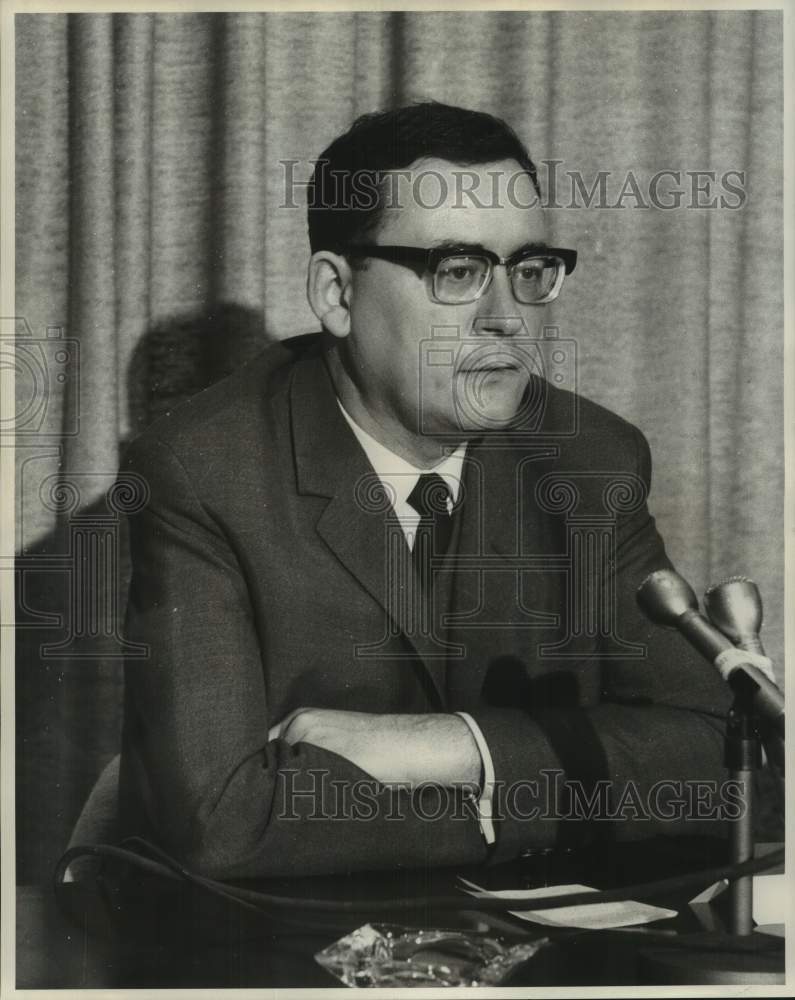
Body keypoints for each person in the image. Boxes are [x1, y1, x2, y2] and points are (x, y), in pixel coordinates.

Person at [118, 102, 732, 880]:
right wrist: (530, 792)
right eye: (457, 271)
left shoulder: (588, 461)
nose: (506, 318)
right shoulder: (201, 471)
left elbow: (730, 763)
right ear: (337, 293)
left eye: (528, 270)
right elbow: (227, 824)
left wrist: (439, 748)